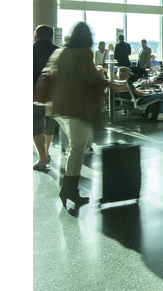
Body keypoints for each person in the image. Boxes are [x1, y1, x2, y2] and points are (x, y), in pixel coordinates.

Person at [48, 22, 127, 210]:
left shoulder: (61, 52)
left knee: (80, 145)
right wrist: (112, 84)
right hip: (76, 108)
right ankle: (68, 189)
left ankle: (69, 189)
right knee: (78, 148)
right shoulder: (83, 53)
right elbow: (89, 76)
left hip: (59, 106)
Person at [33, 25, 59, 171]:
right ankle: (47, 151)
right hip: (53, 95)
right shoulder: (58, 51)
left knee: (36, 126)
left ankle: (42, 158)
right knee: (49, 123)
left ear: (36, 35)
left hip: (34, 94)